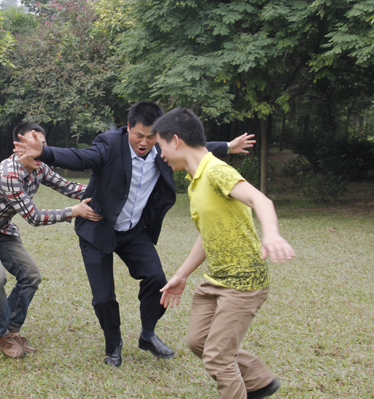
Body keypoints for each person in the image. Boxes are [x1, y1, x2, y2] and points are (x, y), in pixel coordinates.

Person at [14, 101, 255, 367]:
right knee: (104, 297)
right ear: (128, 127)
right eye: (139, 135)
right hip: (98, 228)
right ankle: (113, 344)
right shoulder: (109, 144)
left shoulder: (163, 149)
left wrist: (228, 147)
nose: (144, 142)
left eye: (151, 137)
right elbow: (80, 157)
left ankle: (147, 334)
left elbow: (196, 148)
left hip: (134, 230)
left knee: (156, 279)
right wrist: (44, 152)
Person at [154, 108, 295, 399]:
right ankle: (259, 381)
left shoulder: (216, 171)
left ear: (176, 140)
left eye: (160, 146)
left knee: (218, 357)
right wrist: (182, 274)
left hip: (243, 281)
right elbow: (208, 234)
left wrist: (271, 233)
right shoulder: (195, 181)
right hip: (216, 279)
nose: (160, 154)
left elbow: (260, 200)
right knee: (199, 342)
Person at [0, 122, 102, 358]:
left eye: (42, 145)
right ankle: (0, 334)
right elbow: (34, 217)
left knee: (31, 275)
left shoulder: (40, 166)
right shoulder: (8, 174)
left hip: (1, 228)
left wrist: (106, 191)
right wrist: (74, 211)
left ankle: (12, 330)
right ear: (18, 147)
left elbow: (69, 187)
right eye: (33, 145)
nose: (39, 150)